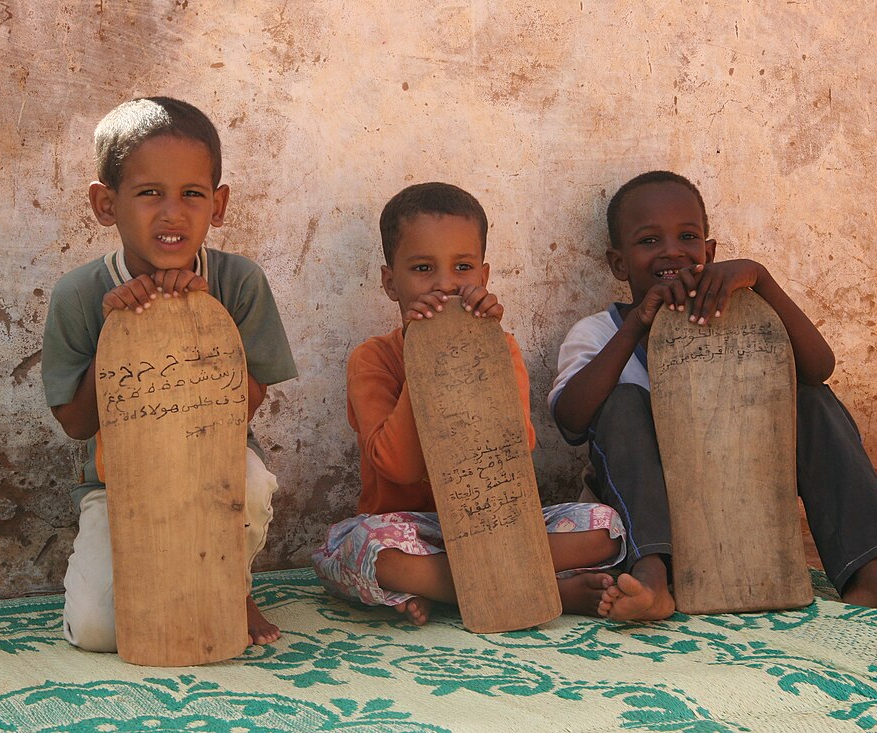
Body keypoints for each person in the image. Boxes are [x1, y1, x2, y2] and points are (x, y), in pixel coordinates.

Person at [549, 170, 877, 622]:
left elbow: (819, 368)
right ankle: (651, 576)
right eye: (649, 240)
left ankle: (871, 575)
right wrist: (638, 323)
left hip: (737, 498)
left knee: (810, 398)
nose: (672, 250)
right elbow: (572, 422)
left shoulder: (745, 320)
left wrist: (761, 280)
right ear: (619, 263)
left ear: (709, 252)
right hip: (646, 517)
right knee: (623, 399)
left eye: (687, 236)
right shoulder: (599, 333)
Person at [42, 97, 296, 651]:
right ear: (105, 204)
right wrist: (120, 334)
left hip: (216, 467)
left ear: (219, 204)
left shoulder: (238, 282)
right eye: (149, 192)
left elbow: (248, 400)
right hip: (117, 485)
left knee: (253, 482)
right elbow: (76, 424)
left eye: (192, 194)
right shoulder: (80, 294)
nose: (172, 212)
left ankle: (232, 583)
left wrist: (204, 329)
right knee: (96, 633)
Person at [311, 182, 626, 626]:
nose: (445, 284)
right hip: (414, 533)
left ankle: (441, 590)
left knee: (604, 528)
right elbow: (396, 468)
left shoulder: (503, 348)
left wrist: (482, 351)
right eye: (423, 268)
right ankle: (533, 587)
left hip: (496, 525)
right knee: (366, 551)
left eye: (463, 267)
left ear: (484, 277)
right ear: (390, 283)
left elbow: (515, 453)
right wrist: (427, 358)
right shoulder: (373, 359)